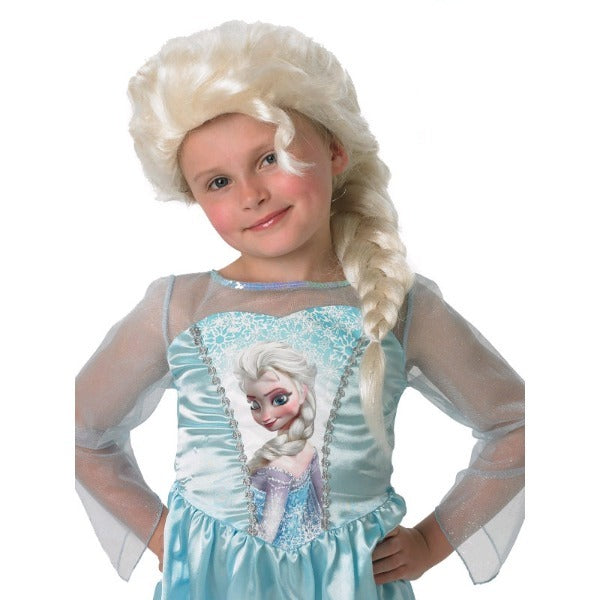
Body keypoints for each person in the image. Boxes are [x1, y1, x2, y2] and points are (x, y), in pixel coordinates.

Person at [75, 20, 524, 599]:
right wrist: (163, 534)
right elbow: (80, 429)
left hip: (350, 583)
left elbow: (517, 423)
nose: (251, 194)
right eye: (218, 181)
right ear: (192, 197)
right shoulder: (179, 307)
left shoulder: (396, 303)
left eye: (269, 158)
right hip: (214, 584)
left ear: (335, 150)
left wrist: (432, 542)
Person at [234, 341, 324, 549]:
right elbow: (323, 505)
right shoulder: (309, 451)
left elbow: (267, 533)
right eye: (255, 404)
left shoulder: (278, 468)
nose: (266, 416)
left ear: (302, 392)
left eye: (279, 399)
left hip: (269, 558)